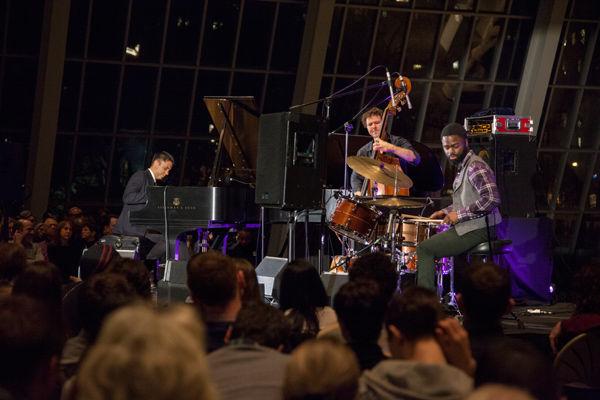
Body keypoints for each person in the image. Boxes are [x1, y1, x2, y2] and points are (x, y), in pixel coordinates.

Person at [416, 122, 501, 290]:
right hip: (471, 226)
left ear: (466, 143)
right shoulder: (463, 166)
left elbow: (492, 199)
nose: (450, 152)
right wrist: (444, 211)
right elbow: (466, 200)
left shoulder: (475, 166)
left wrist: (459, 215)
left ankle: (425, 304)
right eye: (446, 147)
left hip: (481, 228)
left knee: (425, 249)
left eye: (455, 146)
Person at [113, 151, 174, 260]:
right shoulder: (140, 175)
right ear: (156, 163)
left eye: (169, 170)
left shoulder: (153, 183)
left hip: (141, 230)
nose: (167, 173)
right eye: (166, 168)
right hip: (131, 230)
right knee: (168, 241)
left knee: (169, 240)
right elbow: (128, 197)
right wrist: (154, 196)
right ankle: (146, 264)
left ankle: (146, 264)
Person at [350, 107, 420, 195]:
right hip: (373, 198)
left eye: (377, 123)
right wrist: (358, 192)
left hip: (399, 196)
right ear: (366, 127)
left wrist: (391, 147)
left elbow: (415, 158)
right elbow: (356, 177)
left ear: (384, 123)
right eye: (370, 124)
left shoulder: (398, 142)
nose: (374, 127)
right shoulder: (364, 151)